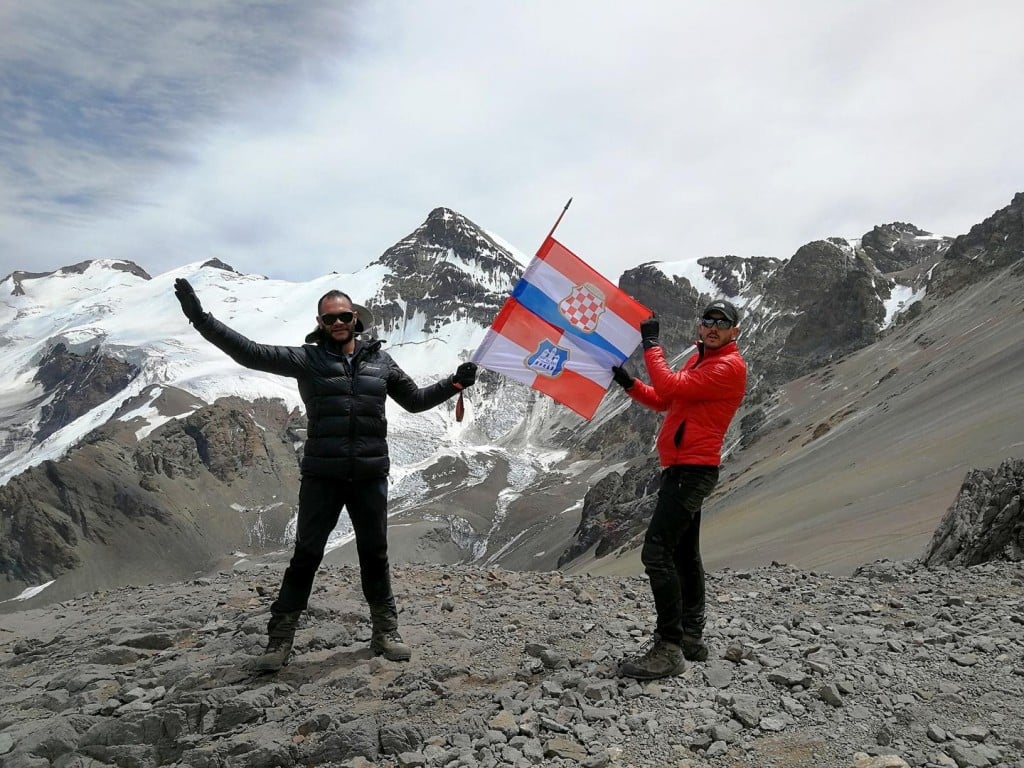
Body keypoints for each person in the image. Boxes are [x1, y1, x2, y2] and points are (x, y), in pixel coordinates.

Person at [173, 278, 477, 672]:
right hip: (323, 475)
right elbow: (249, 353)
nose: (338, 323)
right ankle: (280, 639)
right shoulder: (308, 360)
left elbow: (416, 401)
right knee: (306, 555)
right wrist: (200, 318)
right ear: (320, 322)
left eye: (344, 316)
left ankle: (386, 631)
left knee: (374, 554)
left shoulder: (381, 363)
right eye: (330, 318)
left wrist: (453, 383)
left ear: (356, 319)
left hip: (369, 474)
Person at [610, 299, 747, 680]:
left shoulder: (727, 366)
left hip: (692, 471)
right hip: (683, 469)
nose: (714, 327)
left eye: (723, 323)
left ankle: (668, 647)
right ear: (700, 327)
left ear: (734, 331)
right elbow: (665, 399)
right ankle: (690, 638)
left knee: (656, 552)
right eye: (709, 320)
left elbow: (668, 383)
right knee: (685, 554)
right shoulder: (701, 361)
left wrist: (651, 345)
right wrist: (629, 384)